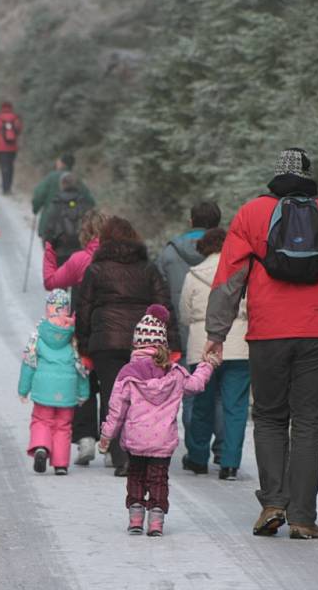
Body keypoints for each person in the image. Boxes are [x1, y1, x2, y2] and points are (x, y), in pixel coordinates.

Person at [204, 148, 318, 540]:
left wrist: (216, 333)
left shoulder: (252, 213)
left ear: (275, 176)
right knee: (308, 422)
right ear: (310, 176)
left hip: (267, 330)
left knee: (272, 418)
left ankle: (273, 503)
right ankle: (304, 518)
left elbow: (229, 279)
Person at [99, 304, 218, 536]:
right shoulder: (174, 373)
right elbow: (195, 385)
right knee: (158, 479)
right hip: (162, 440)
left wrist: (106, 436)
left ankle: (135, 519)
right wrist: (207, 365)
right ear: (162, 343)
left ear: (136, 343)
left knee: (136, 476)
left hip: (135, 439)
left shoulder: (127, 373)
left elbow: (116, 410)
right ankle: (156, 521)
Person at [75, 217, 180, 476]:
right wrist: (173, 344)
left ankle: (119, 456)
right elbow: (164, 306)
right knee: (140, 398)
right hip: (143, 341)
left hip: (106, 342)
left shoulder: (96, 269)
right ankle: (136, 453)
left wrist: (84, 346)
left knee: (113, 396)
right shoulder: (148, 268)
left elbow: (84, 308)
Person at [180, 227, 250, 481]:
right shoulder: (243, 272)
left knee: (202, 404)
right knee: (236, 406)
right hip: (239, 344)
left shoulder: (193, 275)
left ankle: (198, 458)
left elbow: (185, 315)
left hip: (203, 343)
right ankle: (229, 463)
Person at [156, 201, 222, 461]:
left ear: (191, 220)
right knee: (220, 391)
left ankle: (196, 449)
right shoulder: (226, 252)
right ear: (217, 223)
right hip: (222, 330)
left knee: (190, 389)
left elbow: (159, 293)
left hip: (183, 331)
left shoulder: (170, 253)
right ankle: (223, 449)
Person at [41, 209, 108, 465]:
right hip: (116, 331)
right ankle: (112, 444)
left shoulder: (81, 259)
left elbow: (51, 281)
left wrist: (50, 250)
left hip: (84, 330)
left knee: (85, 383)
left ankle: (86, 439)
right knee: (113, 386)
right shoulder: (122, 261)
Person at [18, 289, 90, 475]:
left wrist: (23, 389)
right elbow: (80, 367)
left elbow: (29, 363)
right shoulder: (72, 338)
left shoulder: (38, 336)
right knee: (63, 426)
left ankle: (41, 446)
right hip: (66, 392)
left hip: (43, 390)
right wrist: (83, 392)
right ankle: (60, 464)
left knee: (42, 420)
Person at [31, 154, 94, 241]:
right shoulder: (77, 179)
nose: (56, 163)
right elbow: (90, 202)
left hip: (50, 227)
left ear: (63, 164)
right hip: (73, 230)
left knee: (50, 252)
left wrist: (35, 209)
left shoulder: (51, 177)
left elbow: (38, 196)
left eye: (58, 161)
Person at [42, 173, 95, 265]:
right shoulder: (84, 204)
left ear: (61, 185)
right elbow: (93, 230)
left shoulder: (56, 204)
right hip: (81, 253)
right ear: (75, 184)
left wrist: (48, 250)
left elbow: (49, 230)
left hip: (60, 252)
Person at [0, 101, 22, 195]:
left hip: (1, 148)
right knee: (10, 167)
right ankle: (9, 187)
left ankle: (4, 187)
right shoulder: (16, 119)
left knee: (4, 167)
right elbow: (19, 131)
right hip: (13, 148)